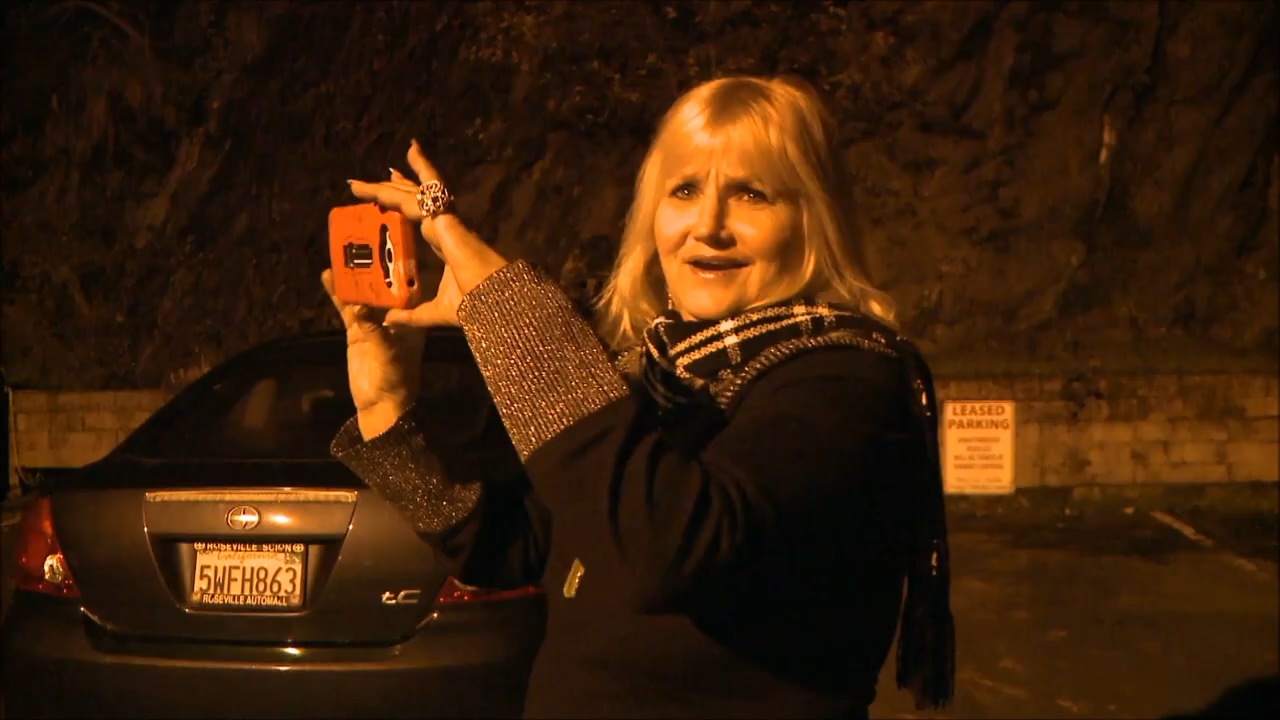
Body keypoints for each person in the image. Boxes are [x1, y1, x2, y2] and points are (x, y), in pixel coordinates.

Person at [321, 74, 955, 719]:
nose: (709, 225)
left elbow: (665, 548)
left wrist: (502, 301)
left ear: (812, 220)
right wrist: (387, 408)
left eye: (752, 195)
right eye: (684, 190)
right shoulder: (652, 375)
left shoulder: (845, 379)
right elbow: (508, 549)